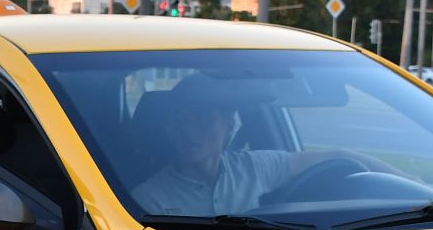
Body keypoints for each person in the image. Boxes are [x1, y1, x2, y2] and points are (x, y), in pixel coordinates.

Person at [131, 73, 332, 217]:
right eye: (181, 120)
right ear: (169, 128)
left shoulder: (254, 167)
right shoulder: (148, 199)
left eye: (203, 119)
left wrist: (364, 164)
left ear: (229, 125)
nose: (189, 131)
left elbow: (330, 159)